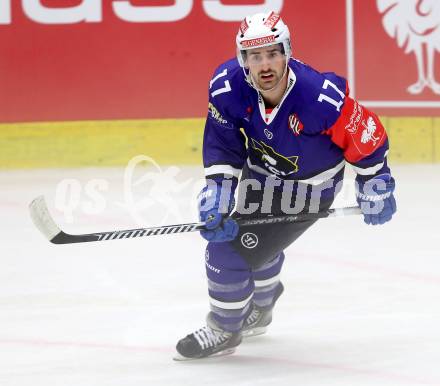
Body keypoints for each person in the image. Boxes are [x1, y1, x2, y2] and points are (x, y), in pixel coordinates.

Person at [174, 11, 396, 360]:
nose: (265, 64)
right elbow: (223, 144)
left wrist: (376, 180)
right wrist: (219, 189)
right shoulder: (227, 87)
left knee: (226, 252)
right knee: (255, 246)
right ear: (242, 59)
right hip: (260, 175)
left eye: (272, 53)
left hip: (308, 191)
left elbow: (363, 131)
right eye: (255, 55)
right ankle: (261, 306)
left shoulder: (318, 97)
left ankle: (224, 330)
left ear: (287, 52)